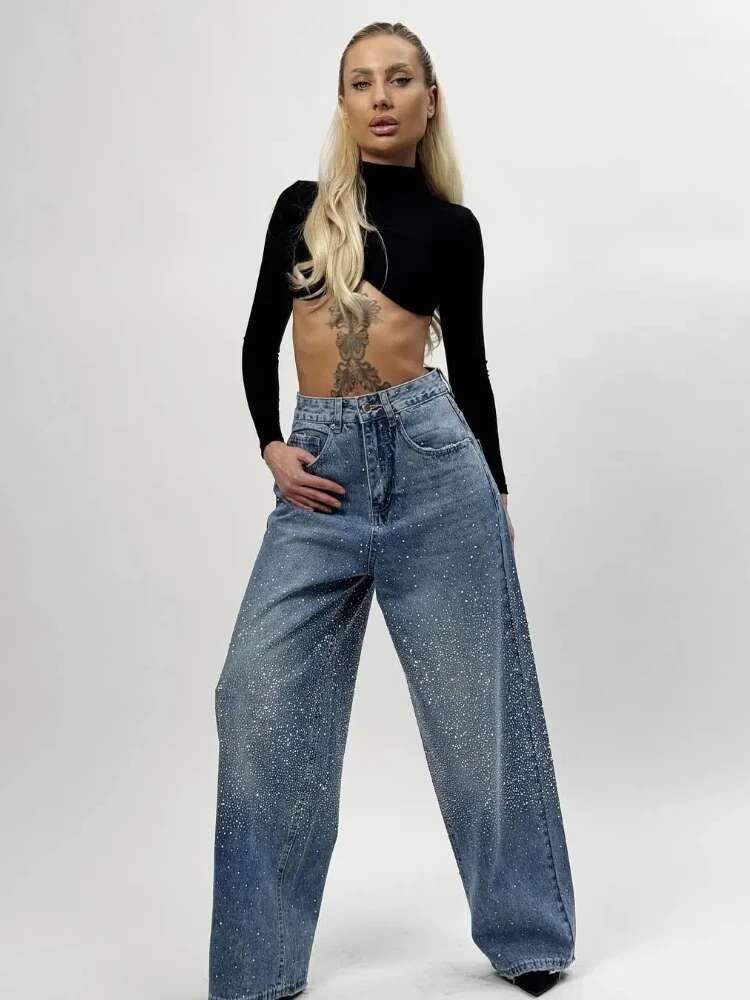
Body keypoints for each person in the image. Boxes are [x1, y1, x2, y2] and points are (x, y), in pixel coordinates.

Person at [208, 21, 576, 1000]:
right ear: (343, 103)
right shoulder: (301, 209)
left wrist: (496, 490)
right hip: (319, 474)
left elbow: (475, 368)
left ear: (428, 99)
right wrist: (270, 446)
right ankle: (256, 966)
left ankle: (530, 934)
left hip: (434, 466)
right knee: (252, 697)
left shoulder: (455, 229)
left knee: (477, 714)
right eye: (362, 81)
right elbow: (257, 337)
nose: (380, 96)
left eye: (399, 79)